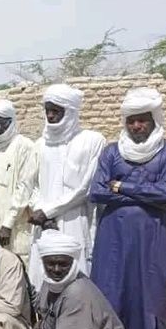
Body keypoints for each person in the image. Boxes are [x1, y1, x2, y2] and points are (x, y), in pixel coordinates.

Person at [90, 87, 166, 329]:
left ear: (154, 120)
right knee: (111, 294)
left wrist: (120, 186)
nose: (136, 127)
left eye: (142, 121)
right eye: (131, 121)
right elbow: (96, 191)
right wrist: (143, 190)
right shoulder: (111, 151)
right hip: (113, 240)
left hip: (153, 240)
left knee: (152, 296)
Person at [27, 84, 105, 288]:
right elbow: (32, 184)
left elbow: (85, 187)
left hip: (74, 219)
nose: (51, 116)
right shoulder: (40, 144)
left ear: (70, 112)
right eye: (48, 111)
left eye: (56, 111)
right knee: (40, 275)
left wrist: (49, 211)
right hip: (42, 222)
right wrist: (40, 212)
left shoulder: (92, 141)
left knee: (74, 273)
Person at [0, 99, 38, 263]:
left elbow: (24, 187)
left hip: (15, 225)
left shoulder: (24, 146)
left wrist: (8, 224)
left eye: (2, 123)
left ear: (11, 121)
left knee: (18, 263)